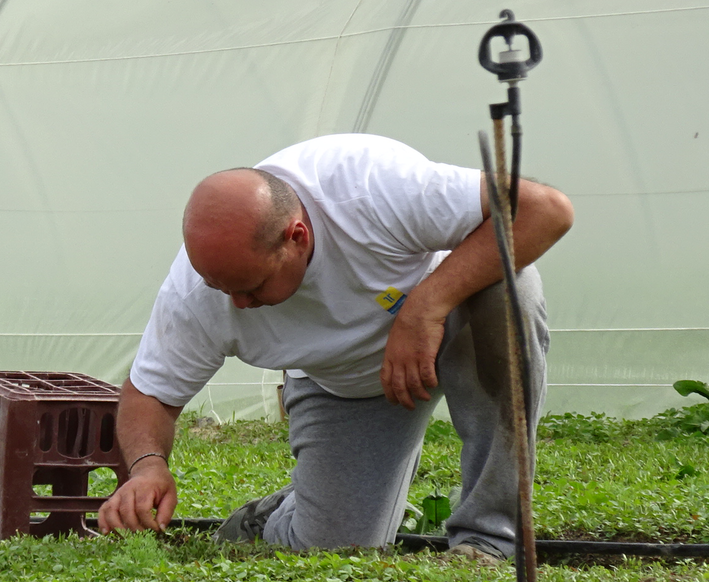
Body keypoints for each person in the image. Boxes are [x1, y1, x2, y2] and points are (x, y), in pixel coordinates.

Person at [98, 133, 574, 559]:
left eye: (252, 286)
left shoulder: (368, 187)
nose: (239, 303)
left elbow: (544, 209)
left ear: (297, 237)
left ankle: (488, 541)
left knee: (512, 290)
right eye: (222, 288)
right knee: (337, 549)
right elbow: (151, 394)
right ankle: (276, 516)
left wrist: (426, 305)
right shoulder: (200, 291)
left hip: (452, 324)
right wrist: (147, 467)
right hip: (350, 388)